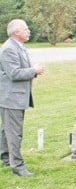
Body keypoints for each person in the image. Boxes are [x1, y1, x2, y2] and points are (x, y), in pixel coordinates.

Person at [0, 19, 45, 177]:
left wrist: (32, 70)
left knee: (7, 129)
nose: (29, 31)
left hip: (15, 97)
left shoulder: (19, 47)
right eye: (25, 29)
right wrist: (34, 70)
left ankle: (6, 158)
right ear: (16, 32)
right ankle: (17, 167)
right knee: (14, 132)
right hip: (11, 98)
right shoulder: (8, 49)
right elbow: (14, 73)